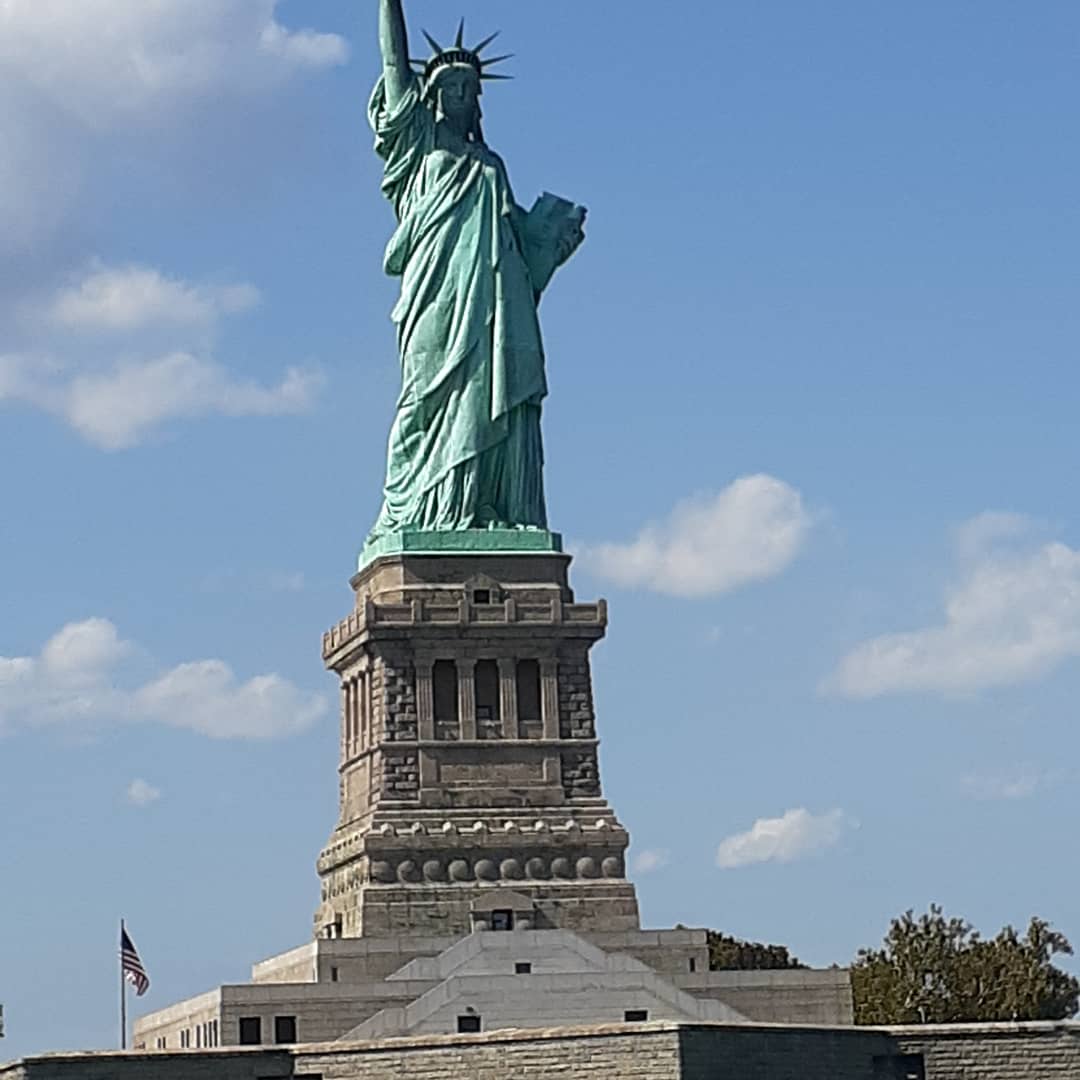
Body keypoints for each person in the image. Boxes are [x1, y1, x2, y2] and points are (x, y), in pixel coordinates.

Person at [367, 0, 585, 541]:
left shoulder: (493, 167)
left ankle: (488, 507)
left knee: (495, 398)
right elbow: (395, 64)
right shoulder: (417, 152)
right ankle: (426, 509)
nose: (460, 97)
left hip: (496, 305)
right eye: (449, 89)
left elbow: (516, 250)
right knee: (424, 403)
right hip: (436, 299)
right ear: (431, 98)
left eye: (468, 89)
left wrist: (551, 243)